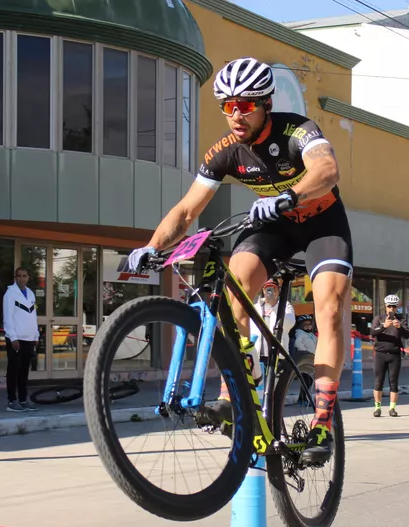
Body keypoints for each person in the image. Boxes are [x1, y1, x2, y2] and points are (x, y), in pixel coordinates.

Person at [126, 57, 352, 464]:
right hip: (273, 225)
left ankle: (322, 422)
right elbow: (185, 211)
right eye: (226, 106)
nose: (235, 114)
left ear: (266, 103)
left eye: (245, 105)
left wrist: (290, 196)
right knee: (234, 284)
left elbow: (328, 169)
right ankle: (236, 390)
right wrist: (152, 247)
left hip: (320, 222)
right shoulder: (226, 152)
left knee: (330, 309)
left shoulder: (297, 130)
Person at [2, 267, 40, 412]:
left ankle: (23, 399)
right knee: (13, 371)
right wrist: (13, 337)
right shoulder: (10, 294)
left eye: (24, 276)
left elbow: (33, 316)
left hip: (29, 338)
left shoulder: (30, 293)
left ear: (28, 277)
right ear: (15, 277)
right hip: (16, 339)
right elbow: (8, 317)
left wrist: (35, 335)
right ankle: (12, 401)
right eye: (19, 276)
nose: (22, 278)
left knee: (24, 372)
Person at [370, 294, 409, 417]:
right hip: (380, 354)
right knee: (378, 382)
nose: (391, 309)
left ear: (397, 307)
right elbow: (372, 332)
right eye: (389, 306)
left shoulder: (401, 320)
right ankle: (377, 408)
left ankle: (392, 408)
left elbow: (407, 335)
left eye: (394, 306)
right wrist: (383, 326)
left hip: (394, 354)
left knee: (393, 382)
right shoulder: (379, 318)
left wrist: (399, 327)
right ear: (385, 306)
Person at [250, 279, 296, 370]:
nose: (271, 292)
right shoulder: (255, 307)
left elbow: (290, 323)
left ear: (278, 291)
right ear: (263, 291)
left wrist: (275, 307)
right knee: (259, 384)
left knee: (276, 383)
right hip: (258, 356)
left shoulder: (285, 306)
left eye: (274, 289)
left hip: (278, 356)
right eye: (268, 289)